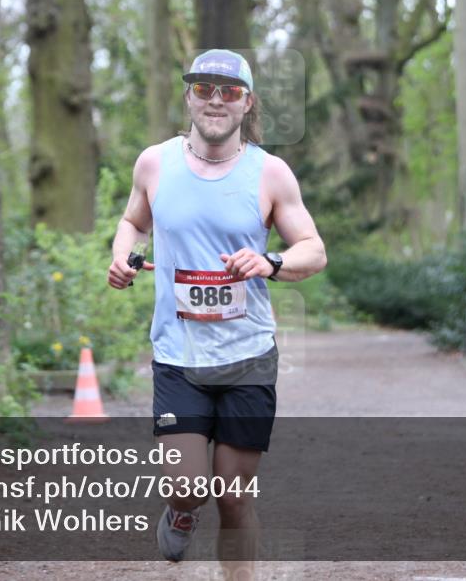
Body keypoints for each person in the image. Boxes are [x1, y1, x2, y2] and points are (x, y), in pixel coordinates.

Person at [107, 49, 326, 576]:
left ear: (247, 103)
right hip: (178, 357)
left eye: (229, 91)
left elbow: (314, 250)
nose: (215, 100)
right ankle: (182, 512)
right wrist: (122, 256)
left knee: (233, 496)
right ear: (188, 96)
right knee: (187, 486)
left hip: (248, 358)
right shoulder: (154, 163)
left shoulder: (270, 173)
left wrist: (270, 262)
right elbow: (133, 222)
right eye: (204, 89)